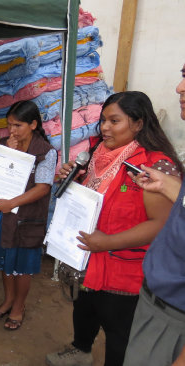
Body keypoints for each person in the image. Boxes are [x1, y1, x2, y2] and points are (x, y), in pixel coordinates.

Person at [46, 91, 183, 366]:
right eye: (103, 121)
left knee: (119, 334)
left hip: (123, 270)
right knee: (84, 309)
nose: (105, 128)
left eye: (115, 121)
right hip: (86, 257)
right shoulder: (97, 154)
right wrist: (70, 178)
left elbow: (161, 225)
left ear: (139, 123)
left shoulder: (154, 166)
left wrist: (106, 242)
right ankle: (81, 350)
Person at [122, 66, 185, 366]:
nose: (179, 88)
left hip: (174, 318)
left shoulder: (159, 159)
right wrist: (171, 187)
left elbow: (156, 223)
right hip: (155, 300)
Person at [0, 100, 56, 331]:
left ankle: (18, 307)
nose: (12, 131)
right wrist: (7, 155)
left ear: (33, 124)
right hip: (3, 215)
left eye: (18, 125)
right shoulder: (4, 144)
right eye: (9, 125)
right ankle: (7, 301)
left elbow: (43, 187)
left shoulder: (45, 152)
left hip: (26, 219)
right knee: (5, 261)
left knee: (22, 266)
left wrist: (12, 203)